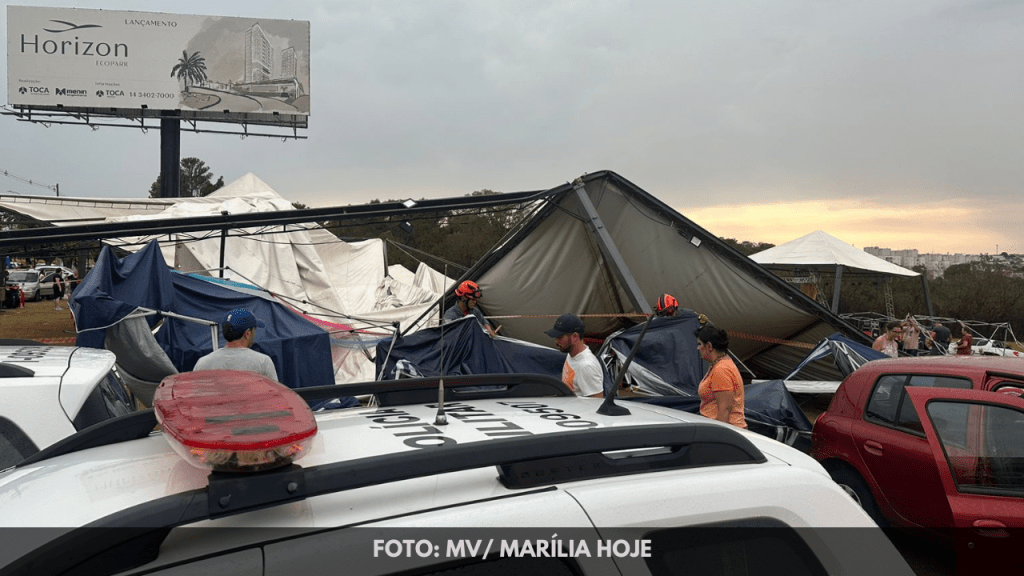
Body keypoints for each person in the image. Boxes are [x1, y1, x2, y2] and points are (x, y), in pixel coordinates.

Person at [194, 308, 279, 381]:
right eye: (254, 330)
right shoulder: (263, 362)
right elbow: (276, 396)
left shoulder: (202, 363)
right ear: (248, 333)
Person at [695, 324, 746, 428]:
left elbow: (724, 410)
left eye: (700, 344)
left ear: (709, 346)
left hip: (727, 429)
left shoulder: (721, 370)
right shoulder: (719, 364)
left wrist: (718, 438)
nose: (698, 348)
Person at [545, 313, 603, 398]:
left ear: (575, 337)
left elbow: (597, 403)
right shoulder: (572, 354)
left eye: (560, 337)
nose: (556, 342)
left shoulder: (586, 366)